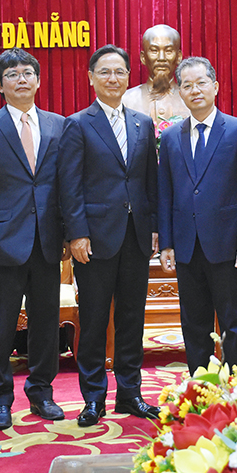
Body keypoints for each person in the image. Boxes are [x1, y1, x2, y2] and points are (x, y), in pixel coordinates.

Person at [0, 49, 67, 430]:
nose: (21, 79)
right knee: (1, 325)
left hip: (46, 242)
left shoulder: (59, 125)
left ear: (39, 81)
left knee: (45, 323)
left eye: (28, 73)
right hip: (2, 242)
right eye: (12, 74)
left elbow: (66, 186)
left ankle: (41, 392)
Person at [59, 44, 160, 426]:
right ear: (91, 78)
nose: (113, 78)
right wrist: (77, 234)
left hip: (135, 237)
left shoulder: (142, 122)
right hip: (95, 240)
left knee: (133, 319)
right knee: (95, 319)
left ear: (128, 76)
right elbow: (69, 186)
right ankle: (93, 397)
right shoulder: (78, 123)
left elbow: (148, 180)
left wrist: (153, 229)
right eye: (105, 72)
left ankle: (130, 394)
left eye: (119, 71)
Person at [158, 56, 237, 373]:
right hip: (187, 247)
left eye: (201, 82)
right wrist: (166, 244)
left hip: (229, 245)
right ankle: (199, 387)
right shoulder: (171, 137)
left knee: (232, 324)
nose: (195, 90)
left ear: (215, 86)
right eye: (187, 85)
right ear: (180, 92)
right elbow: (166, 194)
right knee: (193, 324)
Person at [122, 24, 189, 128]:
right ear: (143, 57)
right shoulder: (126, 100)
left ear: (179, 57)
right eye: (154, 51)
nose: (161, 58)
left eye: (168, 51)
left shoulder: (190, 99)